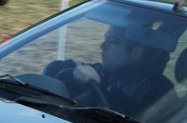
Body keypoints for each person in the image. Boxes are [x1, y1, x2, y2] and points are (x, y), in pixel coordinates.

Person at [46, 23, 175, 116]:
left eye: (112, 41)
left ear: (136, 53)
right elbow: (51, 73)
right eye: (105, 39)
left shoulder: (158, 88)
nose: (102, 46)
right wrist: (70, 65)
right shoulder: (100, 69)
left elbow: (136, 119)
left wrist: (100, 85)